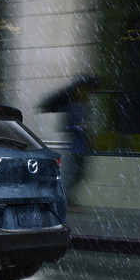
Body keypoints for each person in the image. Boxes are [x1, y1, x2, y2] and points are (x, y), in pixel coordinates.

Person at [62, 76, 97, 210]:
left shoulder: (85, 107)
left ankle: (67, 199)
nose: (85, 93)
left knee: (81, 174)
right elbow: (64, 127)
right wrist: (78, 126)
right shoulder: (71, 107)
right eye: (83, 90)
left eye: (87, 91)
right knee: (73, 174)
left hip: (84, 147)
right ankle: (66, 200)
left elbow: (87, 129)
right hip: (75, 147)